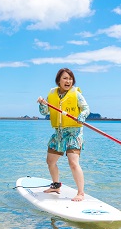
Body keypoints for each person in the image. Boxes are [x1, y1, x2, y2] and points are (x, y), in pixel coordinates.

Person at [37, 68, 90, 201]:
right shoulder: (52, 94)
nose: (68, 81)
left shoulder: (76, 94)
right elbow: (44, 112)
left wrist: (82, 116)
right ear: (59, 80)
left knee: (73, 163)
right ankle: (56, 185)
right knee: (50, 161)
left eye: (70, 79)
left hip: (74, 134)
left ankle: (81, 193)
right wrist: (42, 103)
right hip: (59, 134)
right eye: (65, 78)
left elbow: (86, 108)